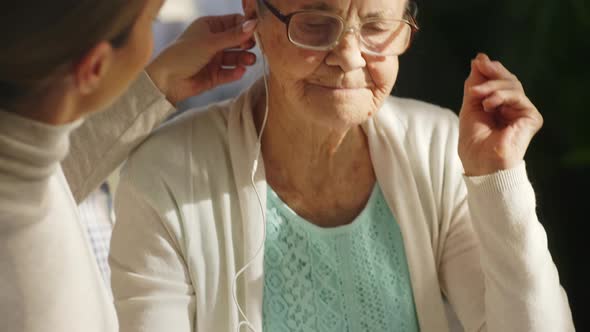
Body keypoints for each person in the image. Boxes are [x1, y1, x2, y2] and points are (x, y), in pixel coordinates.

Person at [110, 0, 575, 331]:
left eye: (376, 27)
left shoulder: (438, 147)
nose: (349, 58)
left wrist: (499, 178)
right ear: (254, 13)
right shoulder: (168, 174)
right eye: (315, 24)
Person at [0, 0, 259, 331]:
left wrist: (161, 80)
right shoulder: (39, 302)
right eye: (151, 21)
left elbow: (51, 172)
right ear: (94, 67)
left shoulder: (20, 167)